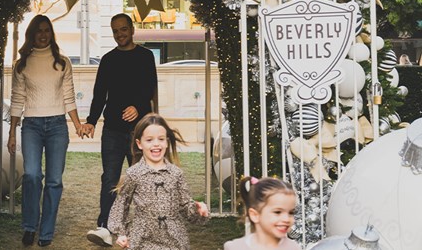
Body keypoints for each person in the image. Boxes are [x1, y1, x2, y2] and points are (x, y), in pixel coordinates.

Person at [7, 15, 84, 247]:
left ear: (51, 33)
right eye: (39, 31)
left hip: (57, 126)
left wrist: (78, 124)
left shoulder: (62, 62)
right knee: (31, 175)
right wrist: (12, 132)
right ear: (32, 34)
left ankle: (46, 231)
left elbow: (68, 96)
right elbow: (17, 99)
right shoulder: (22, 64)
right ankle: (30, 226)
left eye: (47, 30)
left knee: (53, 181)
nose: (43, 35)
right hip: (31, 125)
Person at [83, 13, 158, 247]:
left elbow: (149, 88)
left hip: (139, 132)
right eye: (115, 31)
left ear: (132, 29)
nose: (120, 34)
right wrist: (91, 121)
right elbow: (99, 95)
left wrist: (138, 106)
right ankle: (105, 226)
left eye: (123, 29)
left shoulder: (145, 56)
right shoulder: (107, 60)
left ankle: (146, 226)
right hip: (113, 131)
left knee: (142, 180)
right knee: (110, 179)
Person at [107, 113, 209, 249]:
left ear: (166, 142)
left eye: (161, 139)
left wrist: (198, 210)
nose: (156, 144)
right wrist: (121, 233)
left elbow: (185, 207)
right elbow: (121, 204)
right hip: (143, 240)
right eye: (149, 140)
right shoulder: (134, 173)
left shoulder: (176, 174)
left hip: (174, 241)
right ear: (139, 144)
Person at [224, 177, 300, 250]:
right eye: (277, 212)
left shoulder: (293, 248)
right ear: (255, 215)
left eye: (291, 212)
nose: (286, 219)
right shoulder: (235, 247)